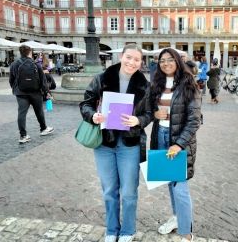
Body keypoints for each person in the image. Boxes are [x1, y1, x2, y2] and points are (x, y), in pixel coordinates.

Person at [79, 44, 152, 242]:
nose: (132, 62)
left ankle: (128, 230)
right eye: (129, 57)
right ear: (122, 56)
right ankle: (112, 230)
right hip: (105, 143)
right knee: (109, 190)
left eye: (137, 59)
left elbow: (149, 113)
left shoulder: (145, 85)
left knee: (129, 191)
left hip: (130, 143)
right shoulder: (102, 78)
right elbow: (85, 103)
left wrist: (139, 120)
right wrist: (93, 116)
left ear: (141, 62)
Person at [149, 47, 201, 242]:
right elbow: (148, 108)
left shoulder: (189, 84)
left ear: (178, 61)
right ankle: (177, 218)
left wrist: (178, 145)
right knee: (169, 183)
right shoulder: (157, 83)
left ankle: (186, 233)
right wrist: (155, 114)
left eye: (170, 59)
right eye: (162, 60)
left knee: (180, 187)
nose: (166, 63)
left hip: (179, 141)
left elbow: (194, 120)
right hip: (160, 136)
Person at [9, 45, 54, 144]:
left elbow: (11, 80)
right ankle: (43, 129)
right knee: (39, 111)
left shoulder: (14, 64)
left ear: (20, 53)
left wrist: (15, 89)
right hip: (35, 92)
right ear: (30, 52)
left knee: (21, 113)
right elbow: (43, 81)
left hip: (20, 92)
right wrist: (47, 92)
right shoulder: (36, 64)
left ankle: (23, 136)